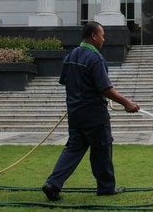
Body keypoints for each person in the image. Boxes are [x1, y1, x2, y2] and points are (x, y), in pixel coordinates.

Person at [42, 21, 140, 201]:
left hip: (75, 113)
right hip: (94, 114)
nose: (104, 39)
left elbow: (65, 81)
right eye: (102, 35)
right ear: (94, 36)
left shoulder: (71, 55)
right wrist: (127, 102)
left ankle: (52, 184)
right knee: (102, 150)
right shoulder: (95, 58)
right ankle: (106, 188)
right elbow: (106, 88)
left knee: (73, 148)